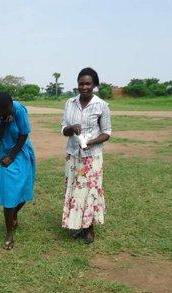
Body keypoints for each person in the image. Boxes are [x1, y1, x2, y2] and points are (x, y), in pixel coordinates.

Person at [61, 67, 112, 244]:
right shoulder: (70, 103)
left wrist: (90, 142)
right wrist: (71, 128)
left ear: (94, 85)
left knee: (90, 191)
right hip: (73, 155)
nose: (84, 87)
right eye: (81, 83)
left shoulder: (102, 106)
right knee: (75, 190)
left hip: (92, 157)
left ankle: (89, 229)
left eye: (88, 84)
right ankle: (80, 226)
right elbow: (63, 129)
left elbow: (107, 133)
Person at [0, 92, 36, 249]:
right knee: (9, 193)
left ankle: (13, 214)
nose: (12, 111)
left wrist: (13, 156)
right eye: (8, 110)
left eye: (11, 108)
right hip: (4, 154)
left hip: (21, 151)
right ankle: (9, 233)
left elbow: (24, 134)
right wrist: (4, 123)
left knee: (24, 189)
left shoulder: (19, 109)